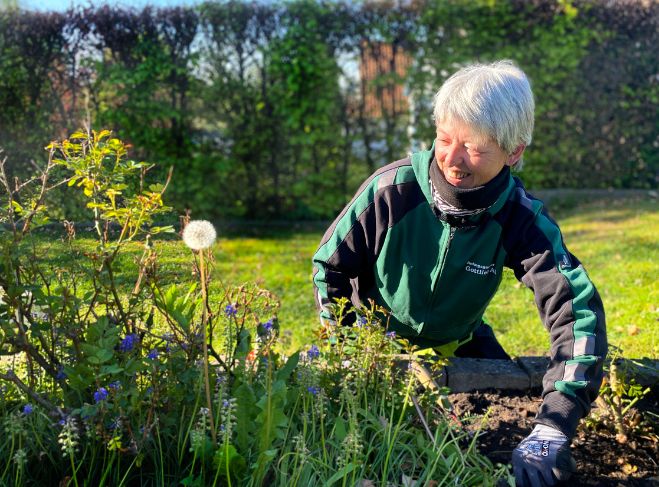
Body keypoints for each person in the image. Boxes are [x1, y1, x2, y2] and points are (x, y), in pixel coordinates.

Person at [312, 60, 607, 486]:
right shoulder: (391, 192)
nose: (451, 158)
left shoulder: (519, 218)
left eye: (473, 147)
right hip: (374, 345)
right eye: (444, 138)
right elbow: (329, 267)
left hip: (459, 342)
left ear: (514, 151)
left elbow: (575, 310)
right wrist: (349, 348)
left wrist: (554, 424)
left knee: (503, 427)